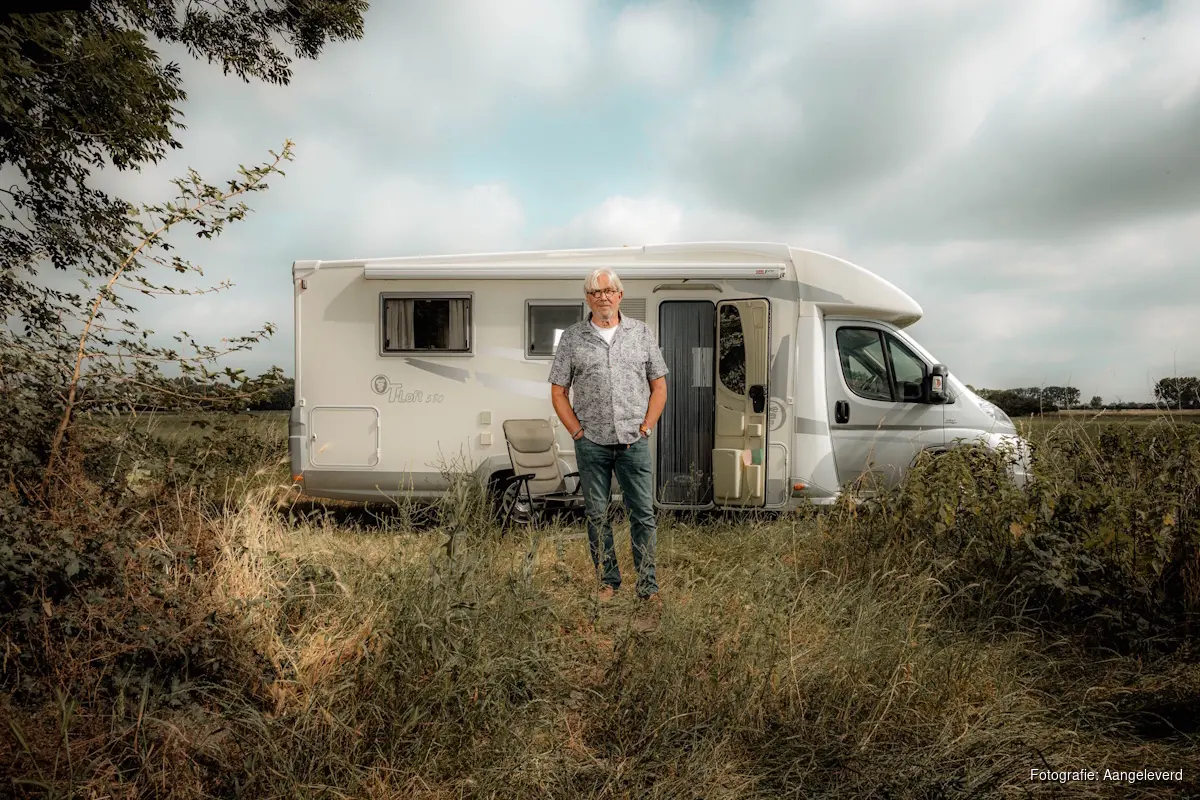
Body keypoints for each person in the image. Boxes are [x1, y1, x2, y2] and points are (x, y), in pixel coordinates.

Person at [548, 267, 668, 602]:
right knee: (597, 516)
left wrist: (646, 427)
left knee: (642, 515)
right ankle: (608, 582)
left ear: (620, 295)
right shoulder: (572, 338)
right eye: (596, 292)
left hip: (633, 442)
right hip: (592, 444)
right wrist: (577, 432)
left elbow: (659, 387)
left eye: (609, 291)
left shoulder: (640, 333)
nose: (603, 297)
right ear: (587, 298)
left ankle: (648, 587)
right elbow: (558, 391)